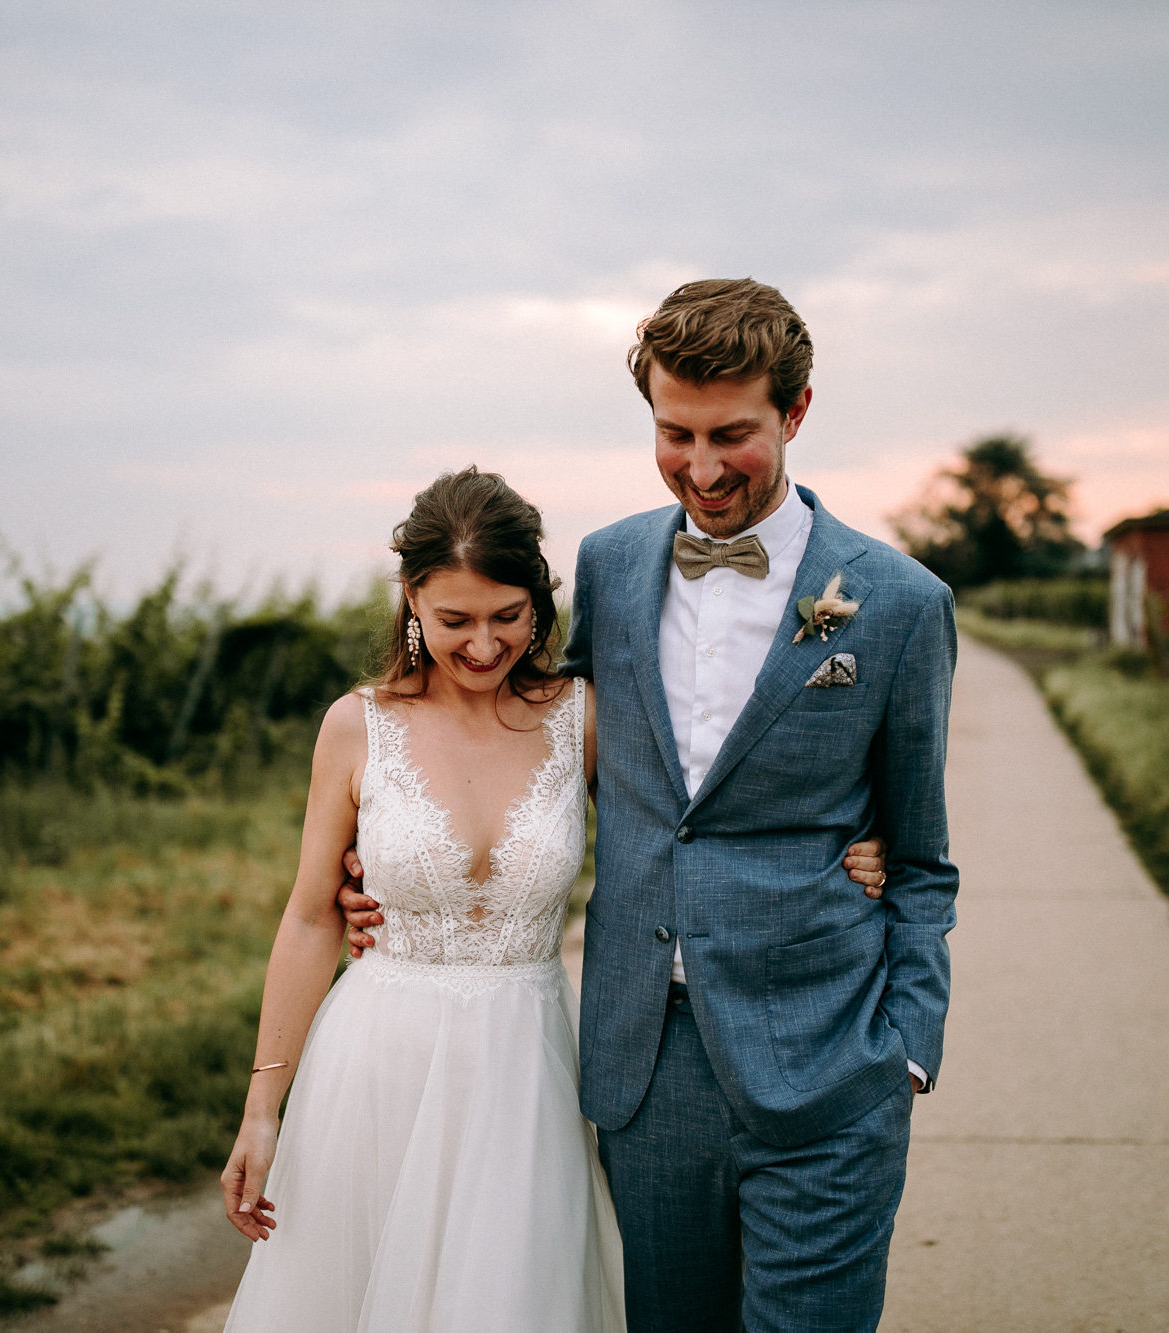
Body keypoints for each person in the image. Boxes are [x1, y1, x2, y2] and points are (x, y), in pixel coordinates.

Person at [345, 279, 958, 1332]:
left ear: (796, 412)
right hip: (644, 1067)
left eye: (732, 435)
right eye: (676, 435)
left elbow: (922, 858)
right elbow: (537, 737)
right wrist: (395, 852)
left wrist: (904, 1044)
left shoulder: (900, 603)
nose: (702, 468)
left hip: (829, 1060)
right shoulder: (612, 565)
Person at [218, 464, 891, 1332]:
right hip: (377, 1065)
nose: (483, 645)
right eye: (455, 620)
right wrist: (262, 1108)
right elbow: (312, 913)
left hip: (524, 1067)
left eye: (508, 616)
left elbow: (700, 824)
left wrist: (854, 841)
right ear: (412, 600)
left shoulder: (584, 716)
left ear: (539, 603)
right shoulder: (356, 725)